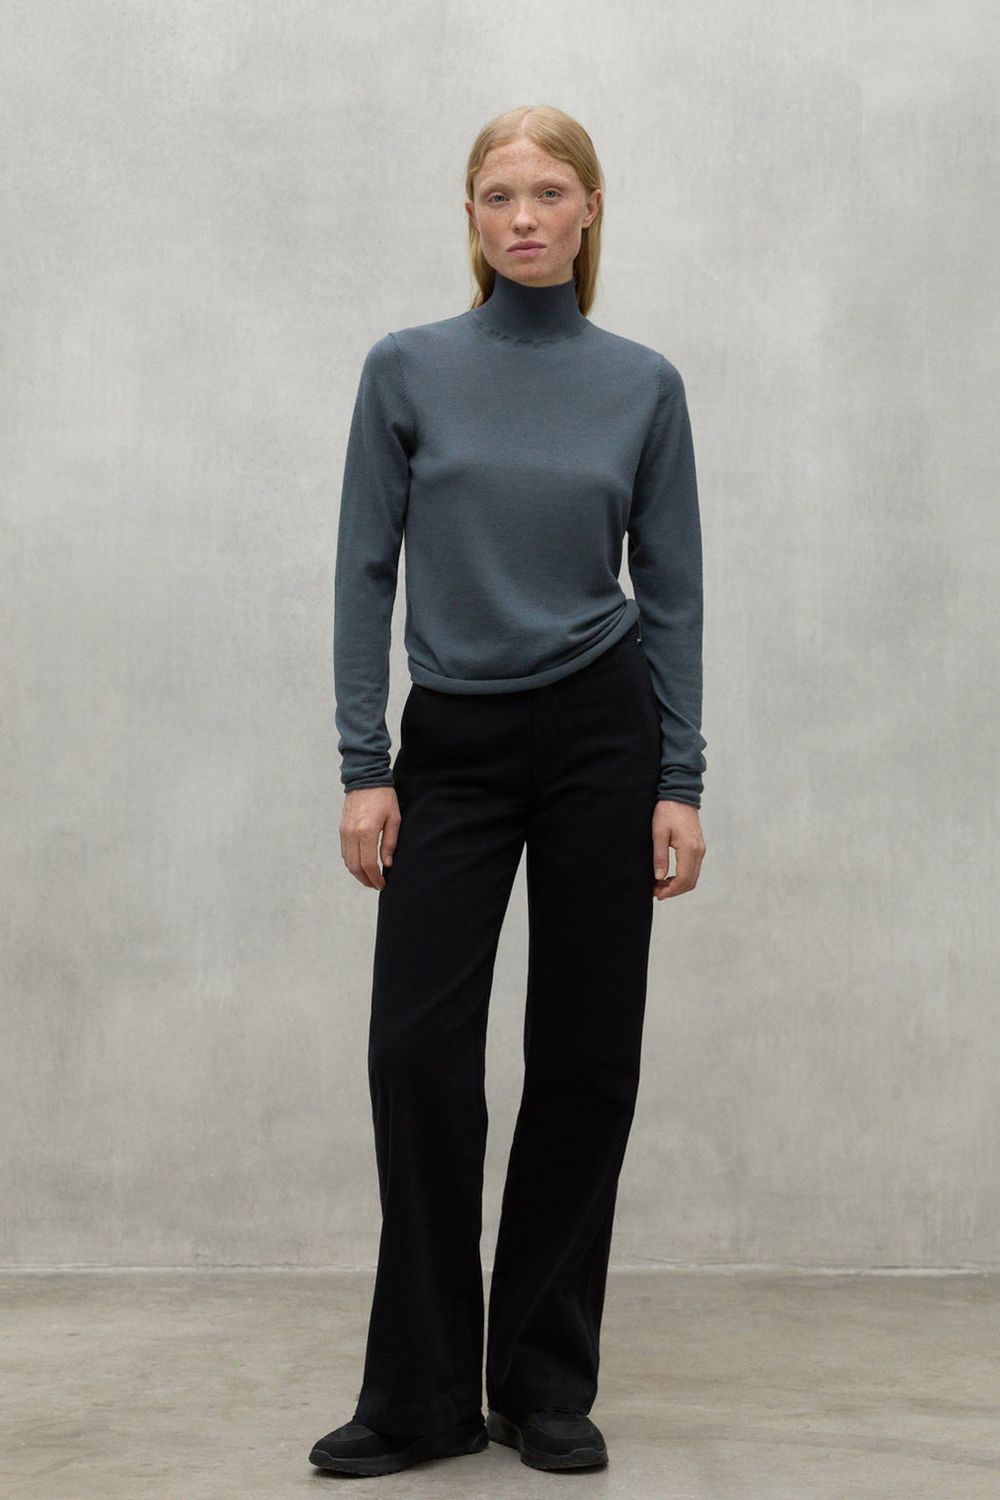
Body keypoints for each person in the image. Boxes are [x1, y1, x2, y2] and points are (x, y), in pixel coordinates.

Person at [309, 102, 707, 1478]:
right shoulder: (406, 369)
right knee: (415, 1052)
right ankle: (420, 1394)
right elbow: (364, 571)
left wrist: (679, 776)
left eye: (547, 193)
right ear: (471, 218)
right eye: (497, 196)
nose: (523, 217)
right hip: (456, 743)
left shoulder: (642, 384)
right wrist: (365, 766)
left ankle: (543, 1379)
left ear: (589, 209)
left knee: (586, 1053)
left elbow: (672, 591)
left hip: (603, 732)